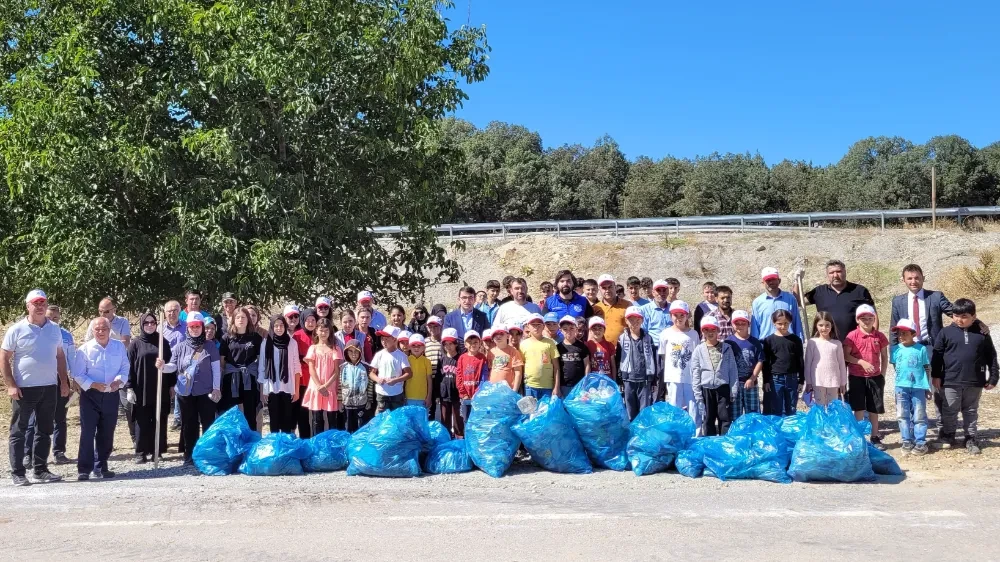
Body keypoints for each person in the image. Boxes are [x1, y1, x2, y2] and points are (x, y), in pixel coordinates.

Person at [890, 263, 989, 428]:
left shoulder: (935, 297)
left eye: (917, 278)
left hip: (932, 348)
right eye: (910, 278)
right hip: (908, 350)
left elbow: (955, 312)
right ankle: (915, 426)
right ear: (903, 280)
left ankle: (943, 425)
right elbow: (893, 328)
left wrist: (978, 322)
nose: (913, 281)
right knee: (910, 386)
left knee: (938, 386)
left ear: (923, 278)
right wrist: (894, 355)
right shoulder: (898, 301)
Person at [2, 289, 70, 486]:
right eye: (36, 303)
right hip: (24, 389)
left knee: (45, 430)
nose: (40, 306)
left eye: (43, 303)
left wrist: (63, 382)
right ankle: (18, 472)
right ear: (28, 306)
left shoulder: (54, 329)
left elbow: (60, 356)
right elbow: (4, 358)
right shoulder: (17, 329)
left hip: (49, 387)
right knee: (19, 431)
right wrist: (11, 385)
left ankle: (40, 470)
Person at [932, 298, 997, 455]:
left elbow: (991, 357)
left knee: (971, 410)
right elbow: (937, 356)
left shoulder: (982, 334)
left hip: (974, 381)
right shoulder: (945, 332)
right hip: (950, 380)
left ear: (973, 317)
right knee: (949, 409)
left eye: (964, 316)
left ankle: (970, 438)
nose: (959, 320)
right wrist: (936, 375)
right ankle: (948, 436)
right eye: (956, 315)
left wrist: (994, 377)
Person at [72, 317, 130, 480]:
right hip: (90, 395)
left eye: (104, 328)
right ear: (92, 330)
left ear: (109, 329)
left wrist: (119, 381)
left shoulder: (119, 347)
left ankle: (101, 465)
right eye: (97, 329)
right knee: (88, 432)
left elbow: (125, 367)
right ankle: (84, 469)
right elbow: (78, 374)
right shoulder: (84, 350)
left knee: (107, 431)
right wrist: (93, 384)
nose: (100, 332)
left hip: (111, 394)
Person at [24, 304, 76, 467]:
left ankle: (59, 452)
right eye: (49, 317)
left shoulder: (66, 335)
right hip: (41, 380)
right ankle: (28, 454)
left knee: (60, 418)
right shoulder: (37, 332)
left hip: (61, 379)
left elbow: (71, 358)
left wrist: (72, 379)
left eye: (56, 318)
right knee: (34, 418)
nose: (52, 320)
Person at [126, 311, 177, 464]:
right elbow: (129, 366)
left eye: (153, 323)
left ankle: (158, 451)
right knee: (142, 420)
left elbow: (171, 364)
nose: (150, 325)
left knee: (159, 419)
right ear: (142, 324)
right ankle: (141, 452)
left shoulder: (162, 342)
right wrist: (129, 387)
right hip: (141, 388)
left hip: (160, 387)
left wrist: (172, 385)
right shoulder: (135, 343)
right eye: (146, 323)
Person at [173, 312, 222, 465]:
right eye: (192, 326)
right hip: (185, 392)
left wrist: (216, 388)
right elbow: (172, 366)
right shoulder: (180, 346)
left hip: (205, 392)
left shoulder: (210, 346)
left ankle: (206, 454)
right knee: (189, 424)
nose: (195, 329)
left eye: (197, 326)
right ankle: (189, 455)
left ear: (202, 327)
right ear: (188, 328)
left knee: (208, 423)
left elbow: (216, 370)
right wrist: (162, 366)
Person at [844, 304, 889, 448]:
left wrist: (882, 374)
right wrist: (861, 362)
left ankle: (875, 436)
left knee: (874, 408)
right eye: (863, 318)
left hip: (875, 377)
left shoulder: (879, 336)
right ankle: (859, 436)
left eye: (870, 318)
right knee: (858, 407)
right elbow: (846, 355)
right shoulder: (852, 336)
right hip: (857, 376)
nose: (867, 321)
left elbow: (884, 356)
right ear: (857, 320)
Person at [799, 260, 876, 341]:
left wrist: (873, 338)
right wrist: (796, 282)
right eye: (831, 273)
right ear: (827, 275)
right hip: (826, 343)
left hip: (854, 344)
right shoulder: (819, 292)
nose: (835, 275)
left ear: (845, 272)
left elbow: (874, 315)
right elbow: (798, 302)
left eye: (839, 271)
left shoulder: (859, 291)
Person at [691, 316, 738, 436]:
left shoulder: (727, 348)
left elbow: (733, 370)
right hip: (706, 389)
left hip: (723, 388)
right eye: (706, 330)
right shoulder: (699, 350)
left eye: (713, 329)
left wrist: (733, 390)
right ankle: (709, 445)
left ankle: (724, 443)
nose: (710, 332)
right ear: (703, 332)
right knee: (708, 419)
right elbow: (695, 373)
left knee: (725, 418)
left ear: (718, 330)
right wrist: (698, 395)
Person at [890, 319, 931, 455]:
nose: (901, 336)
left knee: (919, 414)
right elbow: (896, 367)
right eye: (899, 334)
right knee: (902, 414)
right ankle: (906, 440)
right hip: (901, 387)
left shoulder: (921, 349)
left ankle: (920, 442)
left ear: (913, 334)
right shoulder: (895, 350)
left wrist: (927, 386)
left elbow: (926, 368)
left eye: (905, 333)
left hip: (918, 386)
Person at [218, 307, 263, 429]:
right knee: (231, 413)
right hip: (231, 378)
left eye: (243, 317)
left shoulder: (256, 338)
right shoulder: (226, 338)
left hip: (249, 378)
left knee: (250, 413)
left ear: (248, 320)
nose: (240, 320)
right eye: (237, 317)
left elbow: (260, 361)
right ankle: (232, 442)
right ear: (233, 320)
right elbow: (222, 362)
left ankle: (251, 443)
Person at [659, 301, 700, 428]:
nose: (679, 318)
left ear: (687, 316)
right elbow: (663, 355)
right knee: (674, 407)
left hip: (690, 377)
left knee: (693, 407)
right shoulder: (665, 333)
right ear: (671, 316)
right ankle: (674, 434)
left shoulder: (693, 334)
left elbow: (696, 356)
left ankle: (695, 434)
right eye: (675, 315)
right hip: (673, 377)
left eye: (682, 315)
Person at [258, 315, 301, 435]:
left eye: (281, 325)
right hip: (272, 387)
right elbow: (262, 367)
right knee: (274, 421)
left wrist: (296, 390)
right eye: (276, 326)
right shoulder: (266, 343)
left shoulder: (292, 342)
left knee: (287, 420)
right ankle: (275, 447)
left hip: (288, 387)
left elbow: (296, 366)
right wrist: (263, 390)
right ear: (272, 327)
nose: (279, 328)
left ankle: (285, 448)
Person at [302, 318, 344, 434]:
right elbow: (311, 368)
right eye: (321, 330)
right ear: (316, 331)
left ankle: (331, 444)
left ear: (330, 332)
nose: (323, 333)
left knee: (332, 419)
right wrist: (320, 386)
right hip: (316, 387)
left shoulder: (335, 349)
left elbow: (336, 371)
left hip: (330, 388)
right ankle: (317, 444)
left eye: (326, 331)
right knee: (316, 419)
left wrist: (326, 385)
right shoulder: (313, 348)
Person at [763, 309, 805, 417]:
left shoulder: (795, 340)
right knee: (776, 409)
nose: (783, 326)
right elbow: (766, 362)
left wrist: (801, 380)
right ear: (774, 323)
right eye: (779, 324)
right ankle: (778, 432)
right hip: (775, 379)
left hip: (792, 378)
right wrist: (766, 381)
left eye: (786, 323)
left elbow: (800, 360)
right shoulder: (769, 340)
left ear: (790, 322)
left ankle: (789, 432)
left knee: (791, 409)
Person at [617, 307, 656, 420]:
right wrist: (620, 379)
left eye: (637, 319)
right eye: (631, 319)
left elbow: (653, 358)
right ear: (626, 320)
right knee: (630, 410)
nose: (634, 322)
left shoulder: (648, 338)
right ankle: (632, 434)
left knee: (644, 411)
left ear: (642, 320)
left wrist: (653, 379)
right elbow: (618, 359)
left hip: (644, 380)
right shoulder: (622, 339)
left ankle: (643, 434)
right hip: (628, 380)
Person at [640, 279, 676, 401]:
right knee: (655, 379)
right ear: (653, 292)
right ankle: (654, 406)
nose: (661, 293)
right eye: (658, 290)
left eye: (664, 290)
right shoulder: (645, 309)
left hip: (672, 349)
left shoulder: (673, 309)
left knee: (670, 380)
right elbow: (643, 332)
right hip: (653, 349)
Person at [803, 311, 848, 407]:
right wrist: (809, 382)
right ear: (816, 326)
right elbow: (808, 364)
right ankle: (821, 423)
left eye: (827, 325)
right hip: (817, 380)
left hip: (833, 380)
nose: (824, 328)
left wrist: (843, 383)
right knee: (819, 407)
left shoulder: (837, 344)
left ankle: (831, 423)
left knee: (833, 407)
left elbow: (841, 364)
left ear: (831, 325)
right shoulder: (812, 343)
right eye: (821, 325)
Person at [725, 310, 763, 420]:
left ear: (749, 324)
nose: (740, 326)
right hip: (734, 384)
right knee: (735, 413)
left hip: (751, 383)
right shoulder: (728, 342)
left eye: (743, 323)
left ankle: (753, 433)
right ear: (732, 324)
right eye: (737, 323)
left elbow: (760, 361)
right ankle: (737, 435)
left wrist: (752, 378)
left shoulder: (755, 342)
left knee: (753, 413)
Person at [751, 267, 804, 341]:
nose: (771, 282)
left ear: (779, 280)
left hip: (788, 343)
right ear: (763, 283)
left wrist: (800, 342)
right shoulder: (757, 303)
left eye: (773, 279)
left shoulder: (790, 299)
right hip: (766, 346)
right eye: (768, 280)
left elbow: (796, 322)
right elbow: (755, 329)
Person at [369, 326, 411, 413]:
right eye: (382, 339)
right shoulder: (379, 355)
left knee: (397, 417)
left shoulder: (402, 356)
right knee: (381, 417)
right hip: (382, 393)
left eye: (387, 339)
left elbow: (409, 373)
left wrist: (396, 380)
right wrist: (378, 379)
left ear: (395, 340)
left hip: (397, 393)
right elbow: (371, 373)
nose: (383, 341)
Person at [520, 314, 561, 399]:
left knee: (545, 411)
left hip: (547, 386)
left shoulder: (550, 343)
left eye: (539, 325)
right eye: (533, 325)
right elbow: (522, 366)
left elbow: (556, 367)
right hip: (529, 386)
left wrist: (556, 387)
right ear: (528, 327)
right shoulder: (523, 344)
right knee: (531, 411)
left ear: (543, 326)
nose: (536, 327)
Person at [162, 300, 186, 430]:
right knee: (167, 392)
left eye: (175, 310)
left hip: (182, 365)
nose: (172, 313)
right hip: (166, 364)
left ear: (179, 311)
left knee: (180, 389)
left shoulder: (187, 326)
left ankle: (178, 419)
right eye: (169, 311)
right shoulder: (160, 328)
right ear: (165, 313)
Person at [289, 306, 313, 438]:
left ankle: (309, 439)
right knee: (299, 411)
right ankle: (297, 439)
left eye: (313, 319)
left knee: (311, 413)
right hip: (300, 379)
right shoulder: (297, 336)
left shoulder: (319, 334)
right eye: (307, 320)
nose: (310, 322)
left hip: (316, 379)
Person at [456, 331, 489, 423]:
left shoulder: (482, 358)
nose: (473, 345)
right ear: (465, 344)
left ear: (480, 343)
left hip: (477, 396)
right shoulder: (462, 358)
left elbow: (484, 377)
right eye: (470, 342)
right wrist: (463, 393)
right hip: (465, 396)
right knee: (466, 420)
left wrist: (478, 392)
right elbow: (459, 376)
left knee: (478, 420)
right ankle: (466, 437)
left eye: (475, 342)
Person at [338, 340, 369, 433]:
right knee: (348, 427)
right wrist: (340, 401)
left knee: (360, 427)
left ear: (360, 352)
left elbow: (370, 385)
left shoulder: (366, 367)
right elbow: (340, 385)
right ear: (346, 352)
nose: (353, 354)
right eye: (350, 351)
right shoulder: (342, 367)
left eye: (356, 351)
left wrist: (370, 400)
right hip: (347, 403)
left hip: (361, 403)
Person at [557, 315, 590, 398]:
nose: (569, 331)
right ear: (560, 330)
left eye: (572, 328)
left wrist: (585, 382)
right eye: (565, 329)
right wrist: (557, 387)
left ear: (576, 329)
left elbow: (587, 365)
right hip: (563, 385)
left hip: (579, 384)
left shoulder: (582, 347)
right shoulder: (558, 347)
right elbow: (556, 367)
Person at [594, 274, 632, 345]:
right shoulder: (596, 308)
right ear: (599, 289)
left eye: (610, 287)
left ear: (615, 286)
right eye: (604, 288)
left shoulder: (627, 305)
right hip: (603, 350)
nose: (607, 290)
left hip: (624, 349)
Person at [437, 328, 462, 436]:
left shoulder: (460, 359)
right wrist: (437, 395)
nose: (448, 346)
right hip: (444, 394)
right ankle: (446, 439)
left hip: (457, 395)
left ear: (456, 344)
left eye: (451, 343)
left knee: (458, 420)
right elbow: (438, 378)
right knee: (445, 420)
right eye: (445, 344)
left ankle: (459, 439)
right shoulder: (442, 360)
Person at [488, 326, 524, 391]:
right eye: (495, 334)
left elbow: (518, 372)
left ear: (507, 336)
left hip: (508, 389)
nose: (498, 336)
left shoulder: (514, 351)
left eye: (501, 334)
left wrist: (515, 389)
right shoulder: (491, 352)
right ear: (492, 338)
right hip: (493, 389)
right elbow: (490, 370)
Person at [405, 334, 432, 410]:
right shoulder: (406, 360)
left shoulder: (427, 361)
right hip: (409, 396)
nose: (416, 348)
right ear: (409, 347)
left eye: (419, 345)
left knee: (421, 421)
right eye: (413, 345)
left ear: (424, 347)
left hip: (423, 397)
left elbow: (429, 380)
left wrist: (429, 396)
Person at [586, 317, 617, 383]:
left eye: (600, 328)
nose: (597, 331)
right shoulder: (587, 345)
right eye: (594, 329)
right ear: (590, 331)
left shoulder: (609, 345)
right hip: (592, 380)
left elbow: (613, 365)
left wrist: (614, 381)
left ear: (604, 330)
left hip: (607, 379)